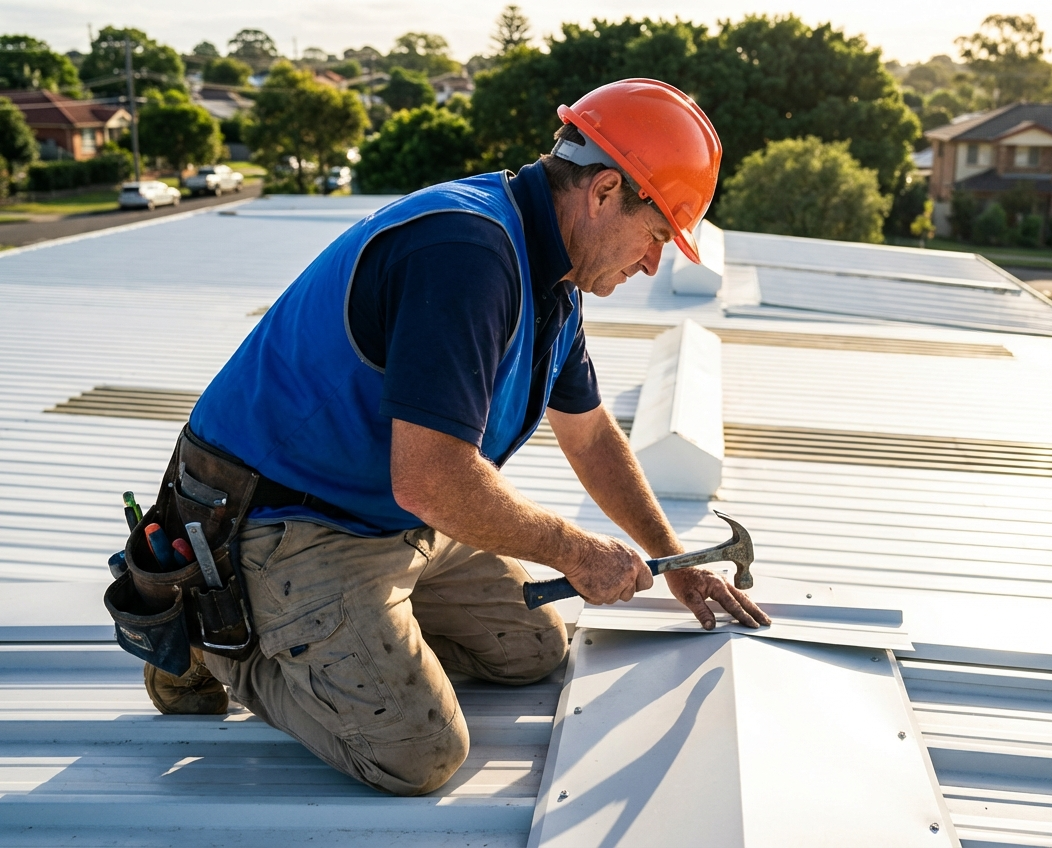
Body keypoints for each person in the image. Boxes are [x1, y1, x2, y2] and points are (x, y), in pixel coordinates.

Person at [144, 78, 771, 795]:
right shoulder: (466, 254)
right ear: (603, 192)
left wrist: (673, 557)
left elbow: (591, 436)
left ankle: (343, 643)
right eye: (656, 235)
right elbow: (432, 479)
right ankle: (215, 637)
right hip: (284, 523)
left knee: (532, 650)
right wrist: (576, 550)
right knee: (419, 754)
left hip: (390, 514)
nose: (653, 263)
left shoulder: (554, 283)